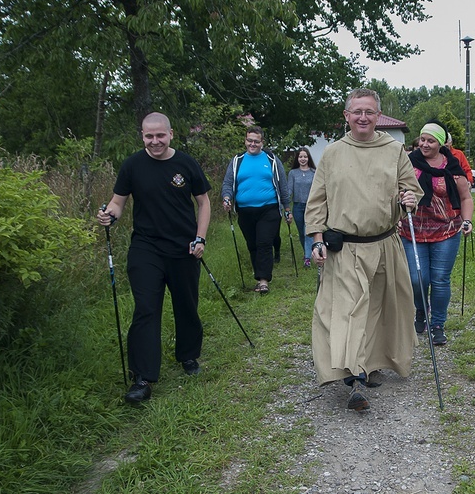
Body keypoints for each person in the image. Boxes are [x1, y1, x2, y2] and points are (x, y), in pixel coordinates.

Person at [305, 88, 423, 411]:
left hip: (384, 245)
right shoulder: (332, 154)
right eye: (357, 111)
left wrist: (408, 199)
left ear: (378, 117)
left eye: (369, 112)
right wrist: (316, 240)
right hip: (345, 250)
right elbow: (317, 202)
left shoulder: (394, 150)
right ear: (347, 116)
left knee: (378, 311)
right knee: (349, 310)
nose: (363, 117)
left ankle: (369, 366)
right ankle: (354, 377)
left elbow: (409, 189)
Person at [97, 112, 212, 404]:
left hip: (183, 247)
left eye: (160, 135)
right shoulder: (133, 165)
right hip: (146, 247)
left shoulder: (185, 163)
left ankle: (188, 355)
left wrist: (200, 238)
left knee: (186, 304)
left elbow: (203, 202)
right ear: (142, 136)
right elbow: (118, 202)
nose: (155, 141)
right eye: (149, 136)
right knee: (146, 308)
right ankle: (143, 378)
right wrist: (109, 215)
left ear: (170, 134)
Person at [400, 121, 474, 346]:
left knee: (440, 280)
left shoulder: (452, 166)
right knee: (417, 278)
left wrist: (467, 220)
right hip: (413, 230)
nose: (424, 144)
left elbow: (466, 198)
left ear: (440, 143)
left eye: (430, 140)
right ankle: (421, 309)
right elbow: (394, 190)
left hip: (446, 230)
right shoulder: (408, 163)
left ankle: (438, 325)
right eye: (422, 139)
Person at [221, 126, 291, 294]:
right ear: (245, 141)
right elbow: (228, 183)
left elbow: (282, 185)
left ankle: (264, 280)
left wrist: (287, 209)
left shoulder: (272, 159)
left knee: (264, 242)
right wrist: (226, 198)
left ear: (262, 142)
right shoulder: (237, 160)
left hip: (269, 209)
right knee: (252, 244)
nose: (252, 144)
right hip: (245, 211)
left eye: (256, 141)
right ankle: (259, 275)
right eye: (249, 140)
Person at [287, 147, 317, 268]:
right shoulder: (293, 173)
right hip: (298, 206)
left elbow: (317, 190)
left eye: (305, 156)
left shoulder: (314, 172)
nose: (303, 159)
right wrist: (285, 204)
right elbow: (289, 189)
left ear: (308, 158)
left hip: (310, 206)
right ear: (297, 158)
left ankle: (307, 259)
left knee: (307, 233)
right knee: (301, 232)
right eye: (300, 157)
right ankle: (307, 252)